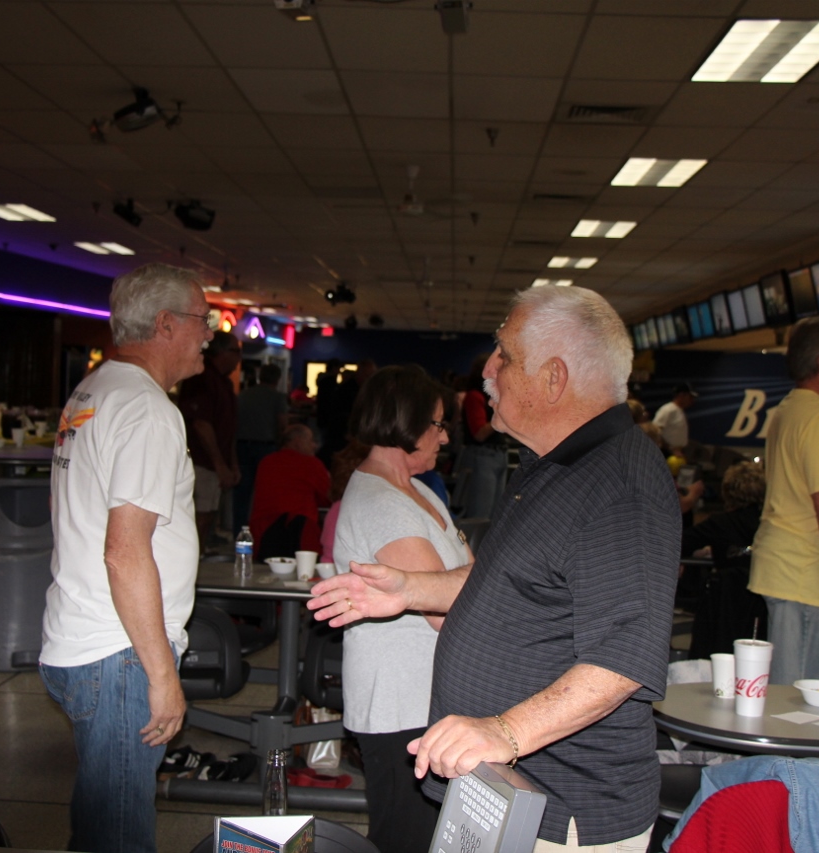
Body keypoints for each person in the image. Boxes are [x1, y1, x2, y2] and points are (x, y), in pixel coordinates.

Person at [309, 286, 680, 851]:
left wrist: (504, 732)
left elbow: (622, 659)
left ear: (554, 379)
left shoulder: (619, 486)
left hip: (566, 807)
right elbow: (504, 584)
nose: (487, 370)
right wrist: (409, 590)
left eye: (505, 354)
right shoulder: (552, 467)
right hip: (506, 788)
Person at [40, 263, 209, 853]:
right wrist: (161, 675)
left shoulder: (94, 389)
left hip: (82, 637)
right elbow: (124, 551)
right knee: (118, 834)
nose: (209, 334)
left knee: (98, 819)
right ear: (166, 324)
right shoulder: (146, 410)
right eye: (202, 320)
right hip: (119, 654)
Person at [333, 366, 468, 853]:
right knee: (405, 837)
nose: (445, 435)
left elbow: (471, 576)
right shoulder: (381, 503)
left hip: (424, 696)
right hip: (401, 705)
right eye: (436, 423)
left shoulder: (418, 488)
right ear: (405, 423)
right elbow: (447, 609)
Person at [749, 317, 819, 685]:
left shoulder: (790, 409)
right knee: (800, 689)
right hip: (807, 573)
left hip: (788, 567)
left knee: (790, 685)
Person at [681, 461, 768, 660]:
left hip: (725, 607)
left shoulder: (719, 523)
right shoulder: (769, 523)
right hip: (762, 604)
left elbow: (680, 542)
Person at [179, 330, 241, 551]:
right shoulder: (202, 378)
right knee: (199, 515)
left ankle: (199, 554)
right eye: (236, 351)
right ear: (221, 352)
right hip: (201, 462)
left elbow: (228, 429)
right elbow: (201, 425)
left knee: (209, 515)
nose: (239, 358)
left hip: (215, 464)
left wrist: (231, 464)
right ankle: (191, 558)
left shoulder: (223, 383)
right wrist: (220, 465)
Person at [248, 423, 330, 560]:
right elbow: (327, 498)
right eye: (310, 440)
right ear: (297, 441)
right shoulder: (312, 464)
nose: (314, 445)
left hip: (263, 535)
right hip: (301, 538)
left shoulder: (265, 462)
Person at [452, 353, 509, 519]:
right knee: (481, 515)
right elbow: (479, 434)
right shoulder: (475, 396)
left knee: (494, 516)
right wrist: (500, 413)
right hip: (482, 457)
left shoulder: (493, 397)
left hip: (498, 456)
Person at [234, 362, 288, 533]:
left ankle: (239, 531)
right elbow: (282, 424)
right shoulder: (277, 397)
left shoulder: (244, 394)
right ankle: (262, 531)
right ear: (278, 379)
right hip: (266, 447)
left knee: (242, 492)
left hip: (242, 445)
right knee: (266, 492)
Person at [652, 382, 697, 456]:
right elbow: (655, 431)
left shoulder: (680, 410)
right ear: (681, 395)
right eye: (690, 397)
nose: (692, 400)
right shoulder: (668, 409)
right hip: (665, 453)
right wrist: (669, 448)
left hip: (676, 453)